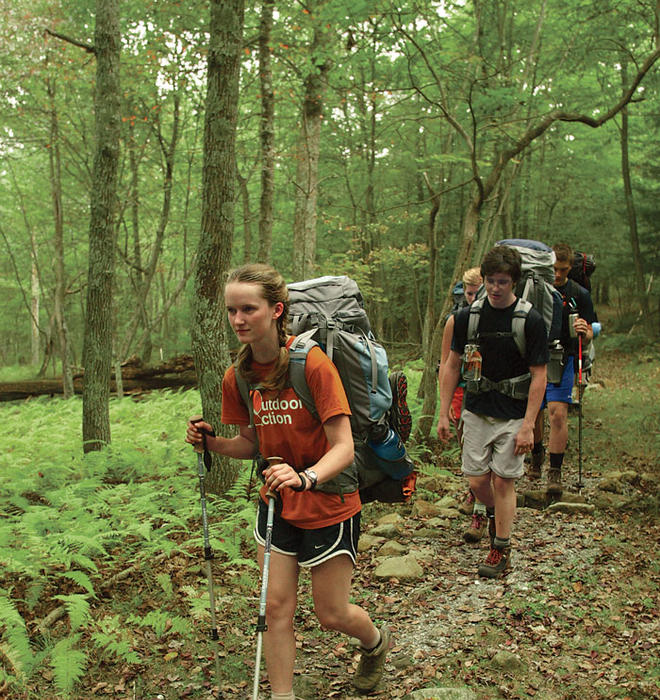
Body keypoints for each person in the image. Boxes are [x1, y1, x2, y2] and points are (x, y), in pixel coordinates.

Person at [185, 263, 389, 699]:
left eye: (249, 309)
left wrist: (306, 476)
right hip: (277, 504)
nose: (238, 319)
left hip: (329, 501)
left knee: (331, 613)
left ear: (277, 310)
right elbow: (249, 444)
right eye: (232, 310)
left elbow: (344, 447)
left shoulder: (312, 364)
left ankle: (374, 643)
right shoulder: (237, 376)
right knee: (275, 607)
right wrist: (211, 444)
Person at [437, 246, 548, 578]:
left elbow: (539, 374)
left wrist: (529, 425)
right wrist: (444, 413)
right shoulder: (467, 318)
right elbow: (452, 364)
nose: (495, 288)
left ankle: (500, 547)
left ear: (514, 281)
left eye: (502, 281)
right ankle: (492, 516)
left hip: (514, 412)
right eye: (490, 281)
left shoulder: (530, 320)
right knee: (476, 480)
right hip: (477, 409)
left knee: (503, 480)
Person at [529, 243, 596, 493]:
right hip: (535, 358)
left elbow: (591, 331)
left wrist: (585, 332)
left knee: (558, 413)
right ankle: (536, 455)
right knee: (535, 412)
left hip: (564, 357)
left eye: (563, 270)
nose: (557, 275)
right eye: (554, 269)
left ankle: (554, 472)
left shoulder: (580, 294)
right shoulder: (536, 290)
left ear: (570, 268)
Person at [437, 267, 489, 543]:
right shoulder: (457, 320)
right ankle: (475, 487)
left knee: (482, 451)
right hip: (462, 389)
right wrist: (443, 411)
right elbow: (447, 363)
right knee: (466, 443)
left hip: (490, 396)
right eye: (468, 293)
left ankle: (481, 511)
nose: (472, 298)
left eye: (475, 293)